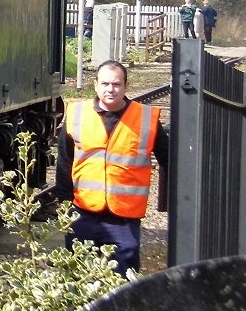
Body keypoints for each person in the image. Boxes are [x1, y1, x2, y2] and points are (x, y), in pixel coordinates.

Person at [52, 60, 168, 275]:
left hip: (123, 218)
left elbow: (168, 160)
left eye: (116, 84)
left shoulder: (146, 118)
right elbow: (64, 162)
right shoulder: (78, 114)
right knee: (78, 277)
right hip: (82, 212)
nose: (110, 89)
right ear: (95, 85)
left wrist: (169, 204)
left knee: (123, 279)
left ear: (126, 87)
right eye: (105, 83)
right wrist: (66, 206)